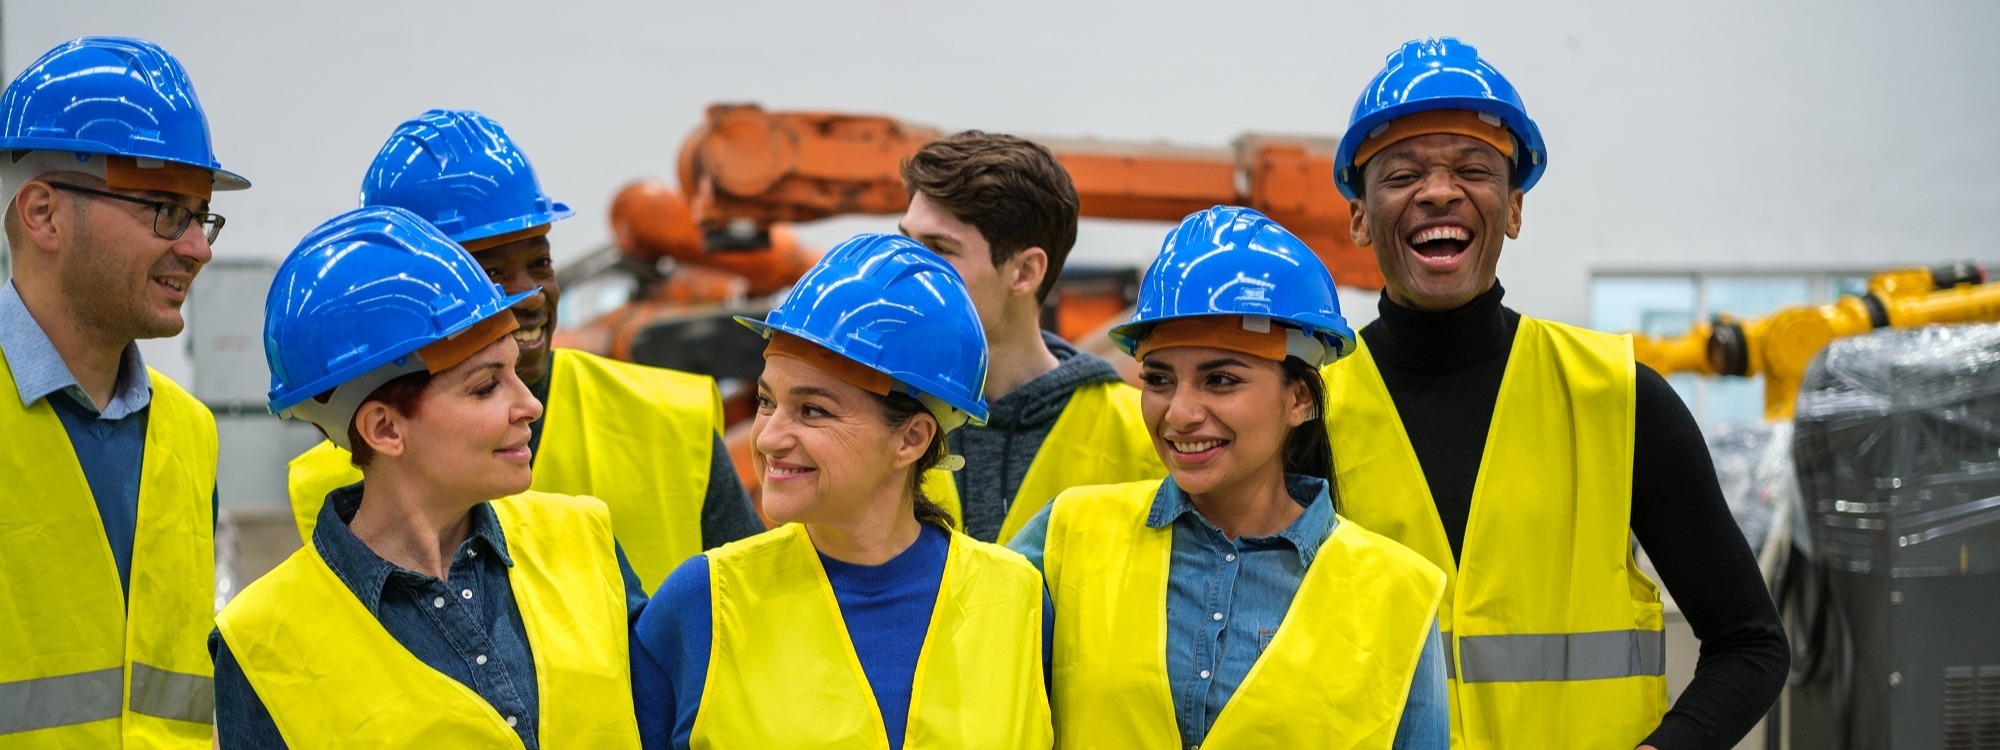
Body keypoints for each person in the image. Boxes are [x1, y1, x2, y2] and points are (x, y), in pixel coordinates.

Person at [1325, 37, 1788, 748]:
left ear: (1513, 208)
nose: (1440, 191)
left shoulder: (1618, 398)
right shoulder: (1307, 412)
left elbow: (1751, 643)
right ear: (1358, 216)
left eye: (1473, 169)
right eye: (1402, 173)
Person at [1011, 206, 1449, 749]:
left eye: (1220, 380)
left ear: (1299, 399)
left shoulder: (1397, 594)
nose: (1179, 413)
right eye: (1160, 379)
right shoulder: (1066, 537)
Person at [212, 206, 644, 747]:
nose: (529, 404)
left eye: (515, 371)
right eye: (486, 387)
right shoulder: (261, 642)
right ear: (385, 429)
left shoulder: (584, 542)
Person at [286, 109, 760, 591]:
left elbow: (751, 618)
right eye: (490, 276)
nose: (532, 295)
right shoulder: (333, 487)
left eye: (540, 262)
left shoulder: (670, 422)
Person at [631, 233, 1053, 749]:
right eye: (766, 402)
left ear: (911, 439)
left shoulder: (1019, 601)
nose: (767, 438)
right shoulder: (700, 606)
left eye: (813, 410)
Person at [0, 36, 246, 746]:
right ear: (42, 214)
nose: (198, 249)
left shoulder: (189, 432)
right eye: (166, 211)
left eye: (202, 217)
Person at [897, 131, 1161, 543]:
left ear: (1024, 272)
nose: (906, 268)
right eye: (906, 241)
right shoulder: (870, 410)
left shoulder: (1146, 438)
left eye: (938, 249)